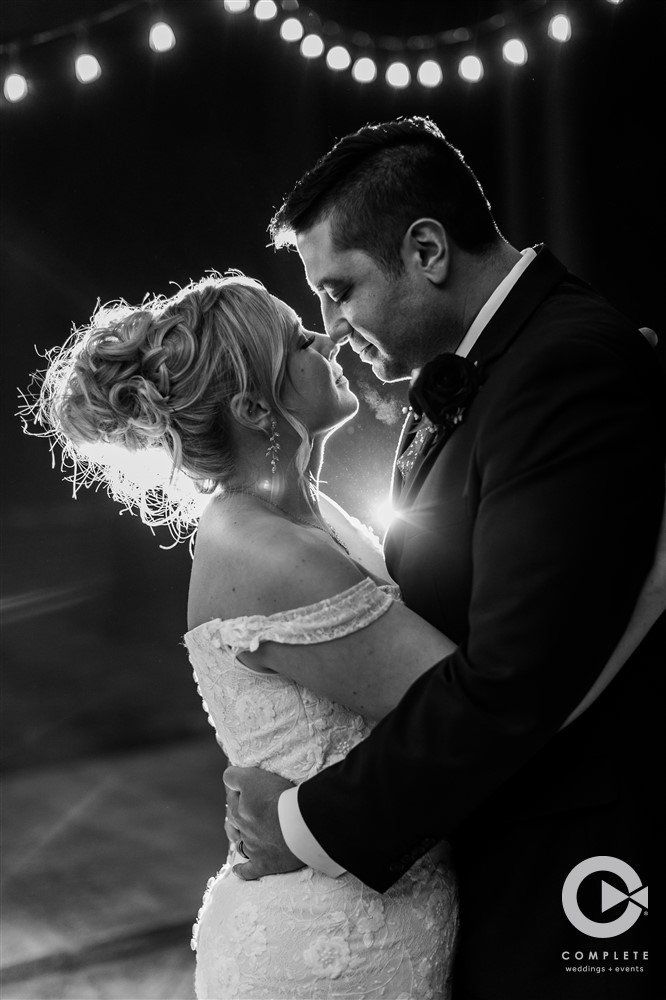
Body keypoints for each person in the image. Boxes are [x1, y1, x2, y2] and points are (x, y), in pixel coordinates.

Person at [223, 117, 666, 1000]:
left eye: (339, 290)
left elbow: (516, 678)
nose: (332, 328)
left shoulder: (564, 367)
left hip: (586, 864)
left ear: (426, 248)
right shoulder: (507, 363)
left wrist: (305, 825)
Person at [23, 273, 467, 999]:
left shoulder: (305, 513)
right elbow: (474, 706)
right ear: (255, 406)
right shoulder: (269, 554)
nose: (324, 338)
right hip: (331, 954)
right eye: (297, 341)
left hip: (374, 907)